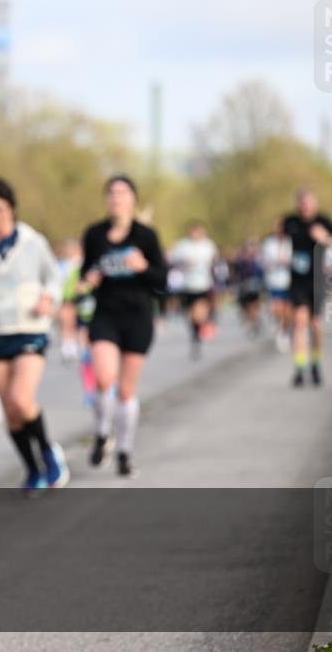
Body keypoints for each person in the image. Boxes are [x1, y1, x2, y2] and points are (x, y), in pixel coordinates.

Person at [0, 177, 69, 493]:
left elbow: (54, 278)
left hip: (29, 328)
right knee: (10, 411)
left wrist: (48, 298)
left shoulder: (32, 242)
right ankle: (32, 469)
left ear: (11, 209)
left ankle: (49, 453)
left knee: (20, 399)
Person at [79, 175, 167, 477]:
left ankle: (125, 453)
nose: (117, 198)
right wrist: (87, 280)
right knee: (103, 378)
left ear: (133, 199)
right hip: (105, 315)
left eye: (123, 193)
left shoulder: (146, 236)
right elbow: (85, 273)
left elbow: (162, 281)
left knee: (126, 391)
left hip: (138, 318)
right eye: (112, 193)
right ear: (106, 200)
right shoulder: (94, 234)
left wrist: (144, 267)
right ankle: (103, 432)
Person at [283, 189, 332, 387]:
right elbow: (278, 239)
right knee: (299, 323)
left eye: (309, 203)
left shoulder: (324, 221)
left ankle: (316, 364)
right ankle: (299, 369)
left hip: (317, 280)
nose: (305, 206)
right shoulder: (290, 221)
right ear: (298, 204)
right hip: (297, 280)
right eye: (302, 203)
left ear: (314, 204)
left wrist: (324, 238)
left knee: (315, 324)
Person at [169, 221, 219, 360]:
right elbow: (172, 260)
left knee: (199, 313)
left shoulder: (208, 245)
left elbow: (215, 262)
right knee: (190, 316)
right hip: (187, 285)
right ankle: (195, 336)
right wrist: (184, 263)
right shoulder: (182, 246)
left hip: (203, 285)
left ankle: (204, 326)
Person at [262, 217, 293, 352]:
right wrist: (274, 262)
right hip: (274, 281)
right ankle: (279, 327)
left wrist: (288, 261)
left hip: (290, 281)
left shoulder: (291, 242)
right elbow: (264, 261)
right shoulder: (269, 243)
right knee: (278, 309)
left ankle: (285, 330)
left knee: (288, 311)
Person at [56, 238, 83, 363]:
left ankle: (78, 345)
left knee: (77, 323)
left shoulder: (80, 263)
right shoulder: (61, 265)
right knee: (66, 322)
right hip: (65, 296)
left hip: (79, 296)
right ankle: (67, 346)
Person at [233, 240, 264, 337]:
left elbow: (261, 275)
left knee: (254, 306)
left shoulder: (258, 263)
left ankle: (254, 321)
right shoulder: (240, 263)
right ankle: (250, 322)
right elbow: (236, 275)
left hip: (255, 287)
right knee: (245, 307)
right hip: (244, 288)